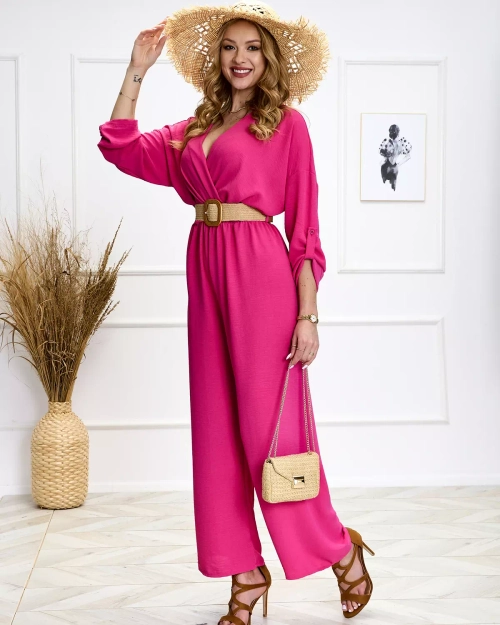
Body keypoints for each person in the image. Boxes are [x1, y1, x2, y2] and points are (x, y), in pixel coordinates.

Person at [97, 2, 375, 621]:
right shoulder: (196, 127)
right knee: (217, 431)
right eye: (229, 47)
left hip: (261, 277)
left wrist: (308, 316)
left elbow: (305, 230)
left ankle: (338, 548)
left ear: (268, 58)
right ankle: (244, 573)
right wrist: (137, 70)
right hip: (206, 269)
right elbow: (120, 147)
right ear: (216, 59)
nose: (240, 58)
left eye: (252, 47)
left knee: (270, 433)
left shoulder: (287, 126)